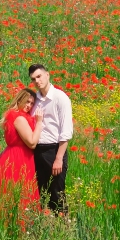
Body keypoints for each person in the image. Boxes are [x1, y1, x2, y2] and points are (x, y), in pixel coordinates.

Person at [28, 64, 73, 215]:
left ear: (47, 75)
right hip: (36, 151)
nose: (37, 81)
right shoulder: (35, 99)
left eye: (39, 76)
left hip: (54, 150)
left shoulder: (61, 98)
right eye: (33, 79)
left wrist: (59, 158)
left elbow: (66, 131)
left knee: (57, 192)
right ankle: (45, 227)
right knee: (40, 193)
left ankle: (63, 226)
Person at [0, 88, 44, 210]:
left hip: (11, 155)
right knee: (20, 194)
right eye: (27, 102)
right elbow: (32, 143)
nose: (29, 106)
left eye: (32, 103)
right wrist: (39, 122)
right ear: (20, 100)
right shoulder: (20, 118)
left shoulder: (14, 115)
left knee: (10, 194)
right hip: (19, 158)